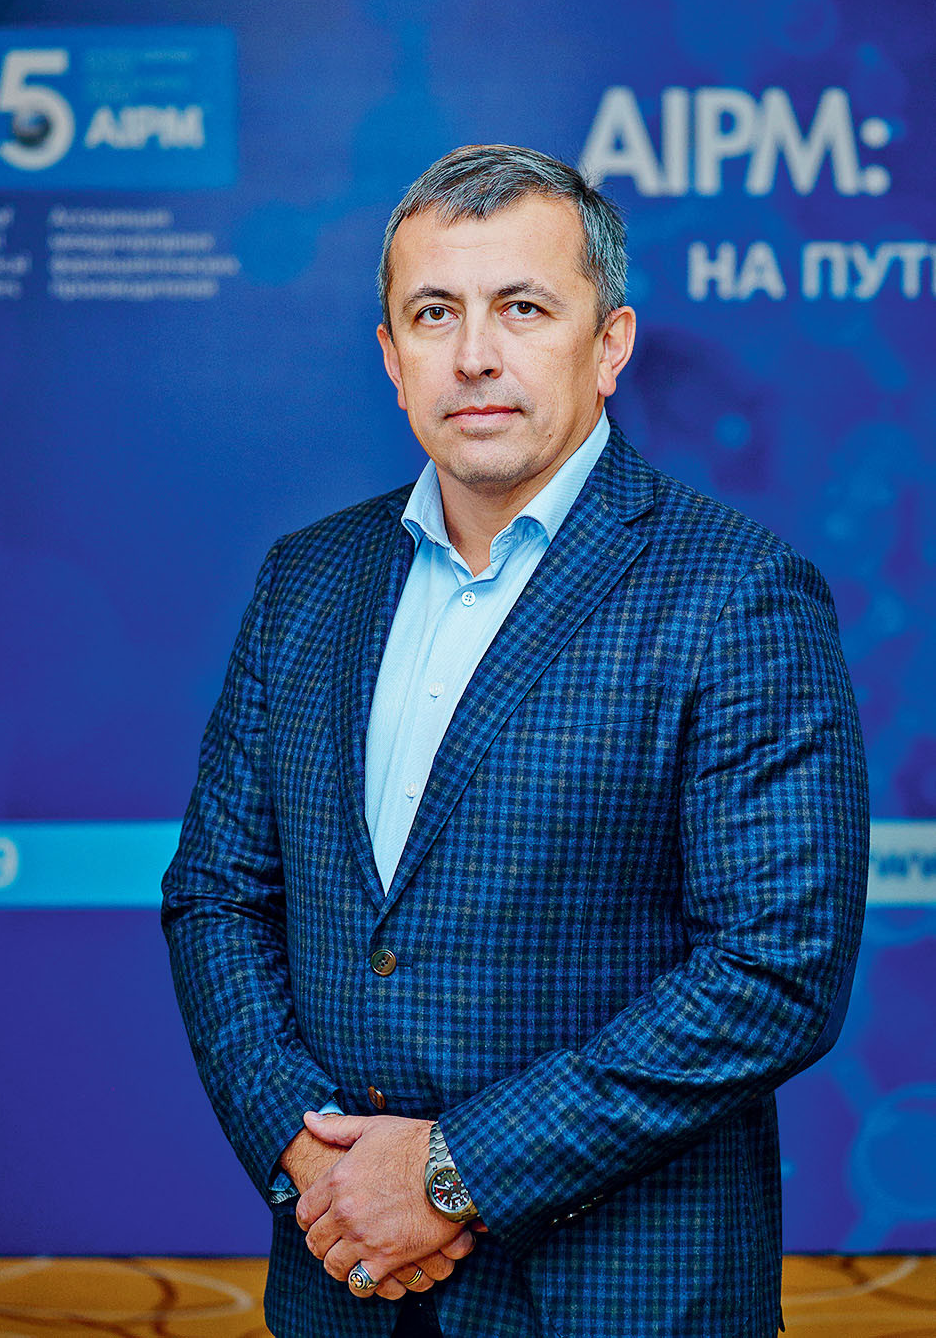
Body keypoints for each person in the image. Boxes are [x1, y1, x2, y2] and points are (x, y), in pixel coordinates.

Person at [161, 144, 868, 1338]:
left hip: (616, 1299)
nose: (474, 354)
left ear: (609, 344)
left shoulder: (736, 592)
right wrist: (313, 1158)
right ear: (391, 356)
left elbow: (774, 970)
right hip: (347, 1284)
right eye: (433, 312)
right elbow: (216, 894)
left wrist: (450, 1173)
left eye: (522, 308)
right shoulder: (304, 582)